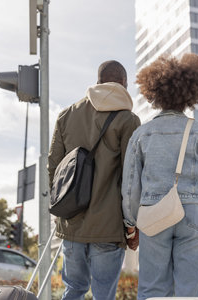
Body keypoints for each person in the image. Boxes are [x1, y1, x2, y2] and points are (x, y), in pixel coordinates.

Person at [122, 53, 198, 299]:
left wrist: (130, 226)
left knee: (153, 290)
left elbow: (130, 187)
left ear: (155, 94)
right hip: (195, 217)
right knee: (191, 292)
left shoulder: (141, 135)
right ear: (190, 94)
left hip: (153, 215)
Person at [48, 60, 141, 300]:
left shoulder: (66, 115)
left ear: (98, 81)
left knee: (73, 290)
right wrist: (132, 227)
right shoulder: (128, 120)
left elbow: (54, 167)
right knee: (103, 295)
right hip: (108, 228)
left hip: (71, 225)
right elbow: (131, 177)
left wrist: (63, 208)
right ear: (124, 83)